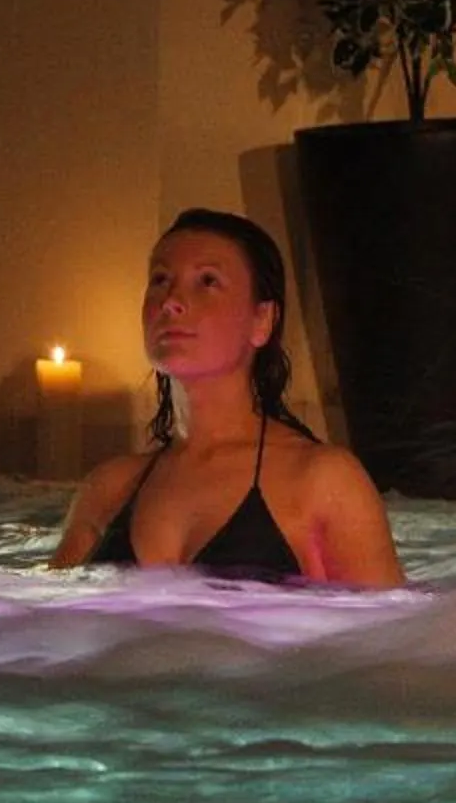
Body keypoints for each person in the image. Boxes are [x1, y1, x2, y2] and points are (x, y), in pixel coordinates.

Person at [49, 208, 404, 587]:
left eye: (207, 281)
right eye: (160, 279)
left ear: (261, 321)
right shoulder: (108, 490)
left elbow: (391, 638)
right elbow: (46, 627)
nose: (171, 301)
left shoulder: (323, 481)